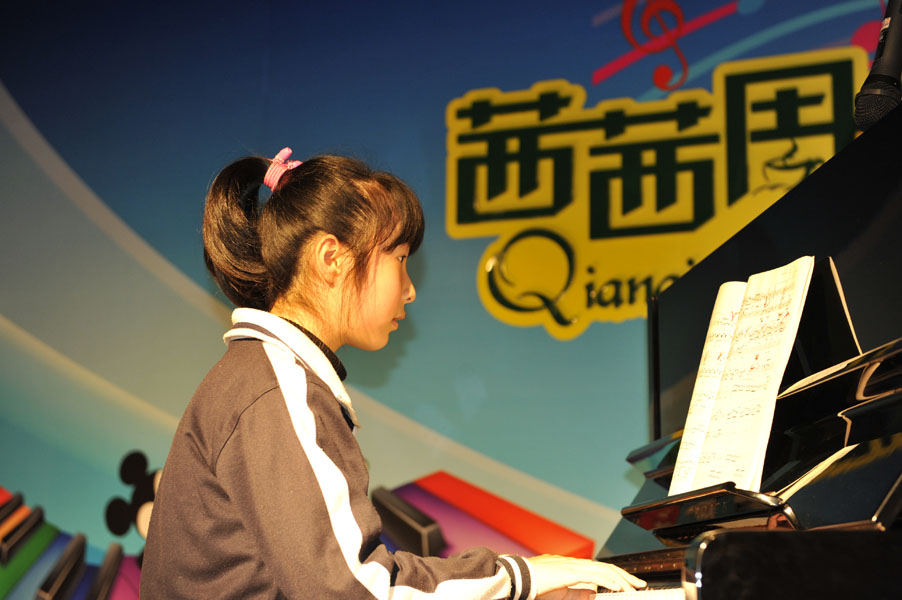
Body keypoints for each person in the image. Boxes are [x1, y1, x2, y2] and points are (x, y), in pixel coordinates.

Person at [141, 148, 646, 599]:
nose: (410, 288)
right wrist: (521, 577)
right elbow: (358, 591)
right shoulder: (278, 388)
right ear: (331, 259)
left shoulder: (267, 375)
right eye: (399, 259)